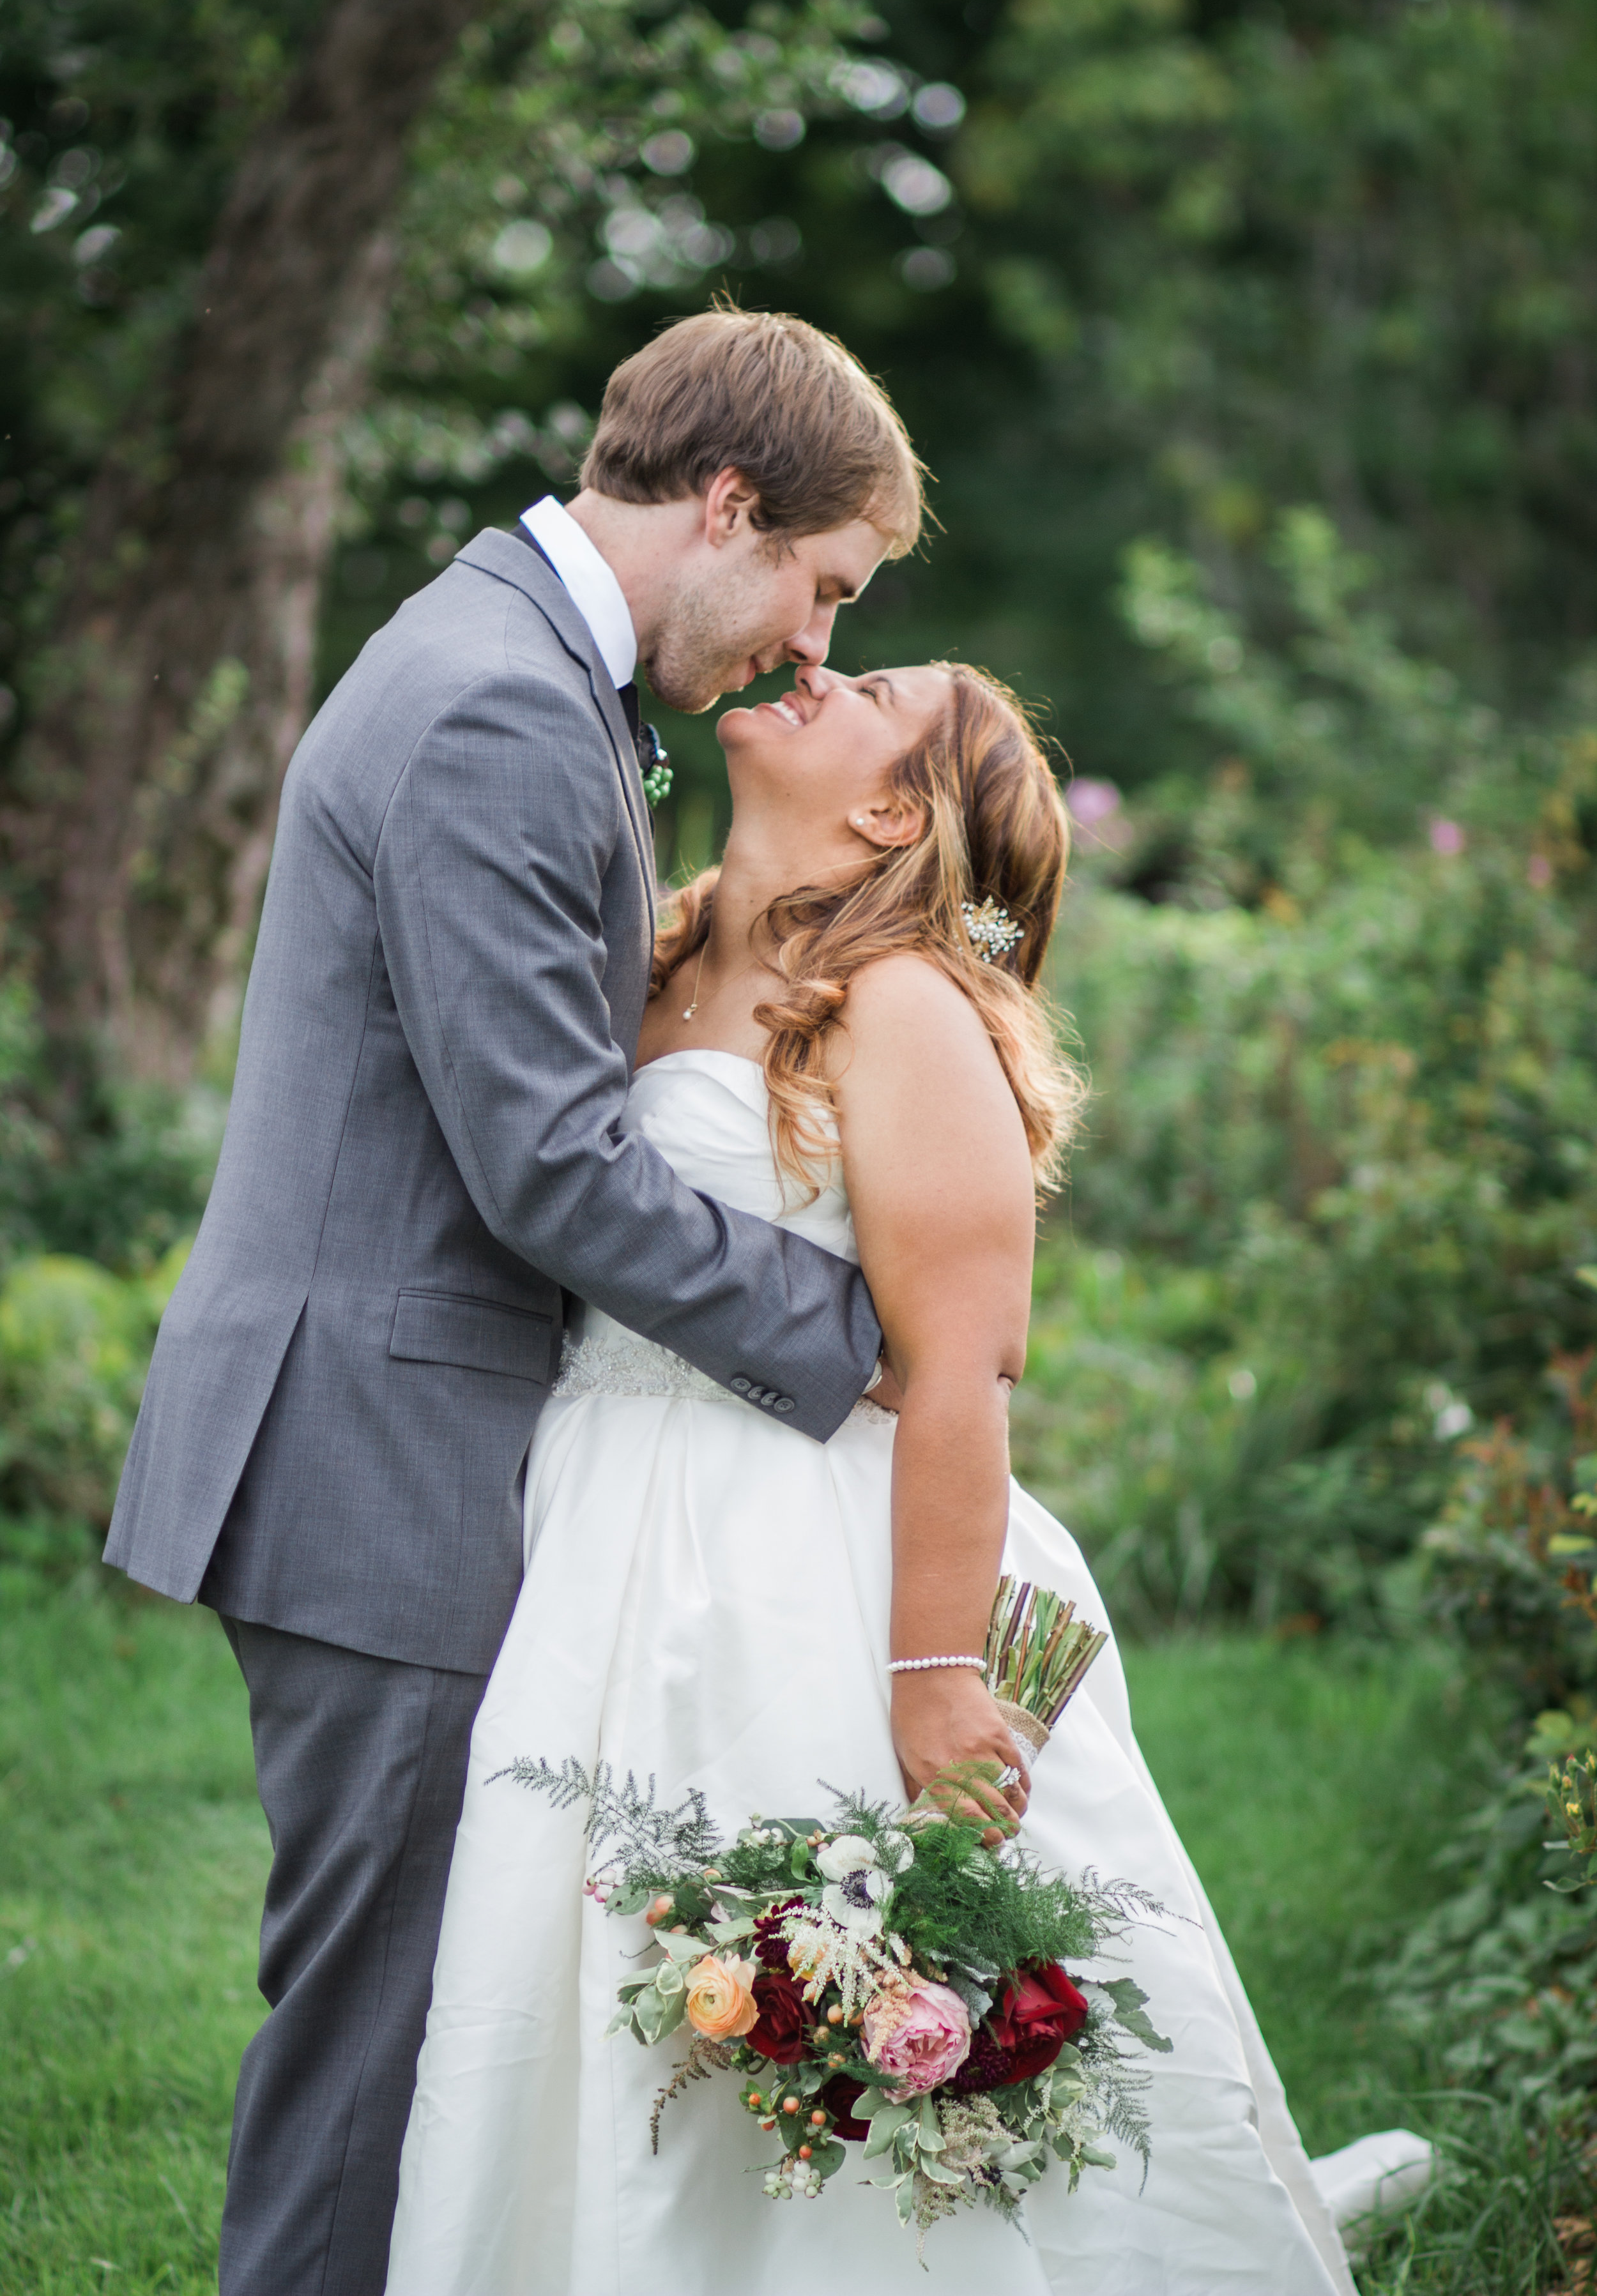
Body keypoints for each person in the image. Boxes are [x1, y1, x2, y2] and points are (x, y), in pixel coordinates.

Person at [101, 306, 925, 2296]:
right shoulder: (495, 702)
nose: (813, 647)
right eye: (819, 588)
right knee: (371, 2044)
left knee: (402, 2011)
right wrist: (852, 1344)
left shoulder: (516, 666)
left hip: (372, 1430)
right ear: (726, 502)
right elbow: (548, 1162)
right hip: (370, 1452)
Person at [383, 658, 1363, 2294]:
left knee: (822, 1963)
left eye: (871, 686)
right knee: (593, 1957)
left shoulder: (904, 1004)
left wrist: (930, 1675)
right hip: (600, 1524)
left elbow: (963, 1365)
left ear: (890, 808)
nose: (814, 663)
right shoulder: (668, 951)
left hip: (804, 1552)